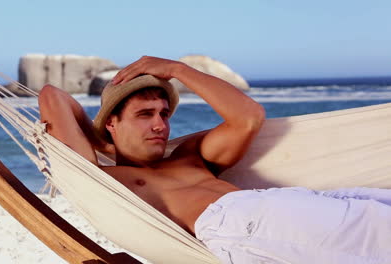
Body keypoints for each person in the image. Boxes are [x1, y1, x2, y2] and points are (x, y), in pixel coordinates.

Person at [39, 56, 391, 263]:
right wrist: (104, 142)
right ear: (112, 122)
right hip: (246, 225)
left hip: (290, 204)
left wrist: (177, 70)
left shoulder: (190, 155)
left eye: (164, 113)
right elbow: (53, 96)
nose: (161, 124)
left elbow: (248, 117)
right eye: (145, 114)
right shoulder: (108, 180)